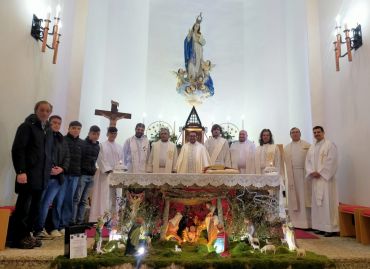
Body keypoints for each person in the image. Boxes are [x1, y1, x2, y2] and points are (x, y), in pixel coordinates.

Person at [11, 100, 53, 248]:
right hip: (28, 175)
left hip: (41, 177)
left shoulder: (48, 130)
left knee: (35, 208)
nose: (44, 113)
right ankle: (18, 238)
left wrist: (50, 168)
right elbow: (18, 150)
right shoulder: (26, 127)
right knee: (24, 208)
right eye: (42, 110)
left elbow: (47, 153)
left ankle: (28, 235)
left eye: (48, 111)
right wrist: (21, 171)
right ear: (36, 110)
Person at [34, 115, 70, 238]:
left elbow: (67, 157)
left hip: (57, 178)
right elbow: (41, 154)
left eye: (59, 123)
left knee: (46, 203)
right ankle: (34, 228)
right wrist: (48, 168)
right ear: (49, 123)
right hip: (44, 176)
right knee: (37, 202)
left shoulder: (62, 139)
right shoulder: (44, 135)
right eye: (54, 122)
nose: (57, 125)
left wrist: (62, 168)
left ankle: (40, 228)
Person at [305, 126, 338, 237]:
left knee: (327, 203)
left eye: (318, 132)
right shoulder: (312, 147)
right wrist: (311, 172)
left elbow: (332, 161)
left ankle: (330, 228)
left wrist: (321, 172)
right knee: (317, 204)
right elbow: (308, 162)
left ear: (323, 132)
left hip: (325, 180)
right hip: (315, 179)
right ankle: (319, 226)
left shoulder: (330, 145)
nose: (316, 134)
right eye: (314, 132)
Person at [54, 121, 84, 236]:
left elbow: (82, 159)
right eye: (74, 128)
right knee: (59, 200)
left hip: (76, 175)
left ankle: (64, 225)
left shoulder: (82, 143)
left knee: (69, 201)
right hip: (63, 175)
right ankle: (55, 226)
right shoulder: (63, 140)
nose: (76, 130)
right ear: (69, 128)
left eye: (78, 128)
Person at [89, 127, 122, 222]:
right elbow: (100, 158)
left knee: (116, 196)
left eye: (115, 133)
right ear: (107, 134)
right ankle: (102, 218)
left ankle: (114, 219)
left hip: (116, 175)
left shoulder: (119, 147)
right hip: (104, 174)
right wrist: (107, 169)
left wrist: (119, 169)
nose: (113, 135)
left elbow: (121, 161)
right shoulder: (102, 145)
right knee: (104, 196)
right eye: (111, 133)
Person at [284, 127, 311, 229]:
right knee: (294, 198)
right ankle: (295, 222)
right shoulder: (286, 148)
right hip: (292, 175)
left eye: (296, 132)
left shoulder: (307, 146)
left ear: (300, 134)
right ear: (290, 135)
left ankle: (306, 222)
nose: (295, 134)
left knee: (304, 197)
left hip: (304, 174)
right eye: (292, 132)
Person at [73, 125, 100, 224]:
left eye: (97, 134)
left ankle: (79, 222)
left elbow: (96, 160)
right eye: (93, 134)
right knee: (77, 199)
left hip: (91, 175)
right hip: (82, 175)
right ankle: (72, 222)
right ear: (89, 133)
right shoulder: (83, 144)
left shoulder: (98, 146)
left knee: (84, 200)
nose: (96, 136)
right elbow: (79, 159)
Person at [184, 13, 206, 81]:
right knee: (191, 64)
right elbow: (187, 41)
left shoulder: (200, 34)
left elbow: (204, 42)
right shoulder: (191, 33)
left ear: (199, 28)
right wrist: (188, 36)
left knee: (198, 65)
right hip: (192, 51)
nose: (196, 27)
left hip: (199, 51)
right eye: (196, 26)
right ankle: (191, 78)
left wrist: (199, 39)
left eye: (198, 26)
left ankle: (198, 79)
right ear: (194, 26)